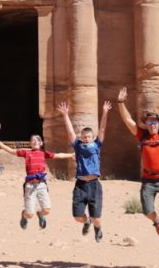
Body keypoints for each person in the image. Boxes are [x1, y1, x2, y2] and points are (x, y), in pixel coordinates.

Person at [116, 85, 159, 237]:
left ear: (158, 123)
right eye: (149, 122)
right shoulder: (142, 136)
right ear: (146, 124)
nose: (152, 124)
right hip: (148, 180)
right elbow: (128, 120)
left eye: (154, 122)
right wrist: (120, 103)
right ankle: (157, 221)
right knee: (147, 212)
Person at [57, 99, 111, 242]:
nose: (86, 139)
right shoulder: (78, 146)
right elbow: (70, 132)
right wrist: (65, 115)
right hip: (80, 185)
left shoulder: (97, 145)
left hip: (94, 185)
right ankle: (86, 223)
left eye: (88, 137)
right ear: (81, 138)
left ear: (93, 138)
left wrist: (105, 112)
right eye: (84, 137)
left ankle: (97, 228)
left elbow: (102, 129)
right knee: (77, 217)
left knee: (96, 218)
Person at [0, 132, 73, 229]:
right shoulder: (27, 153)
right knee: (30, 214)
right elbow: (12, 151)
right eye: (33, 140)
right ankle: (24, 215)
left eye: (38, 140)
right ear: (30, 143)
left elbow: (58, 155)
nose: (35, 141)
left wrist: (71, 155)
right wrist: (0, 144)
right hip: (30, 186)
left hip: (41, 185)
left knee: (47, 210)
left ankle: (40, 214)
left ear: (41, 143)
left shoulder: (44, 153)